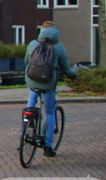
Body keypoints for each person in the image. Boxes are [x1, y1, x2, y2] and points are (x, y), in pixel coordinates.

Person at [24, 21, 77, 157]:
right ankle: (48, 146)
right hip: (48, 83)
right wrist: (73, 75)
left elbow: (26, 62)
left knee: (33, 89)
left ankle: (29, 116)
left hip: (32, 79)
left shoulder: (32, 44)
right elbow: (66, 69)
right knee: (51, 112)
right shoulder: (58, 48)